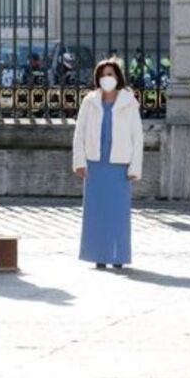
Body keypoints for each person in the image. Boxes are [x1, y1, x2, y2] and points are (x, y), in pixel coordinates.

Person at [72, 59, 143, 270]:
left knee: (118, 213)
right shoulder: (89, 101)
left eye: (111, 74)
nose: (107, 78)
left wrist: (135, 168)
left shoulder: (129, 102)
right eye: (103, 75)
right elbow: (80, 133)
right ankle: (98, 255)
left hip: (119, 165)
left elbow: (137, 137)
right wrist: (79, 162)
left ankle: (118, 254)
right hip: (95, 163)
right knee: (96, 212)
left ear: (118, 77)